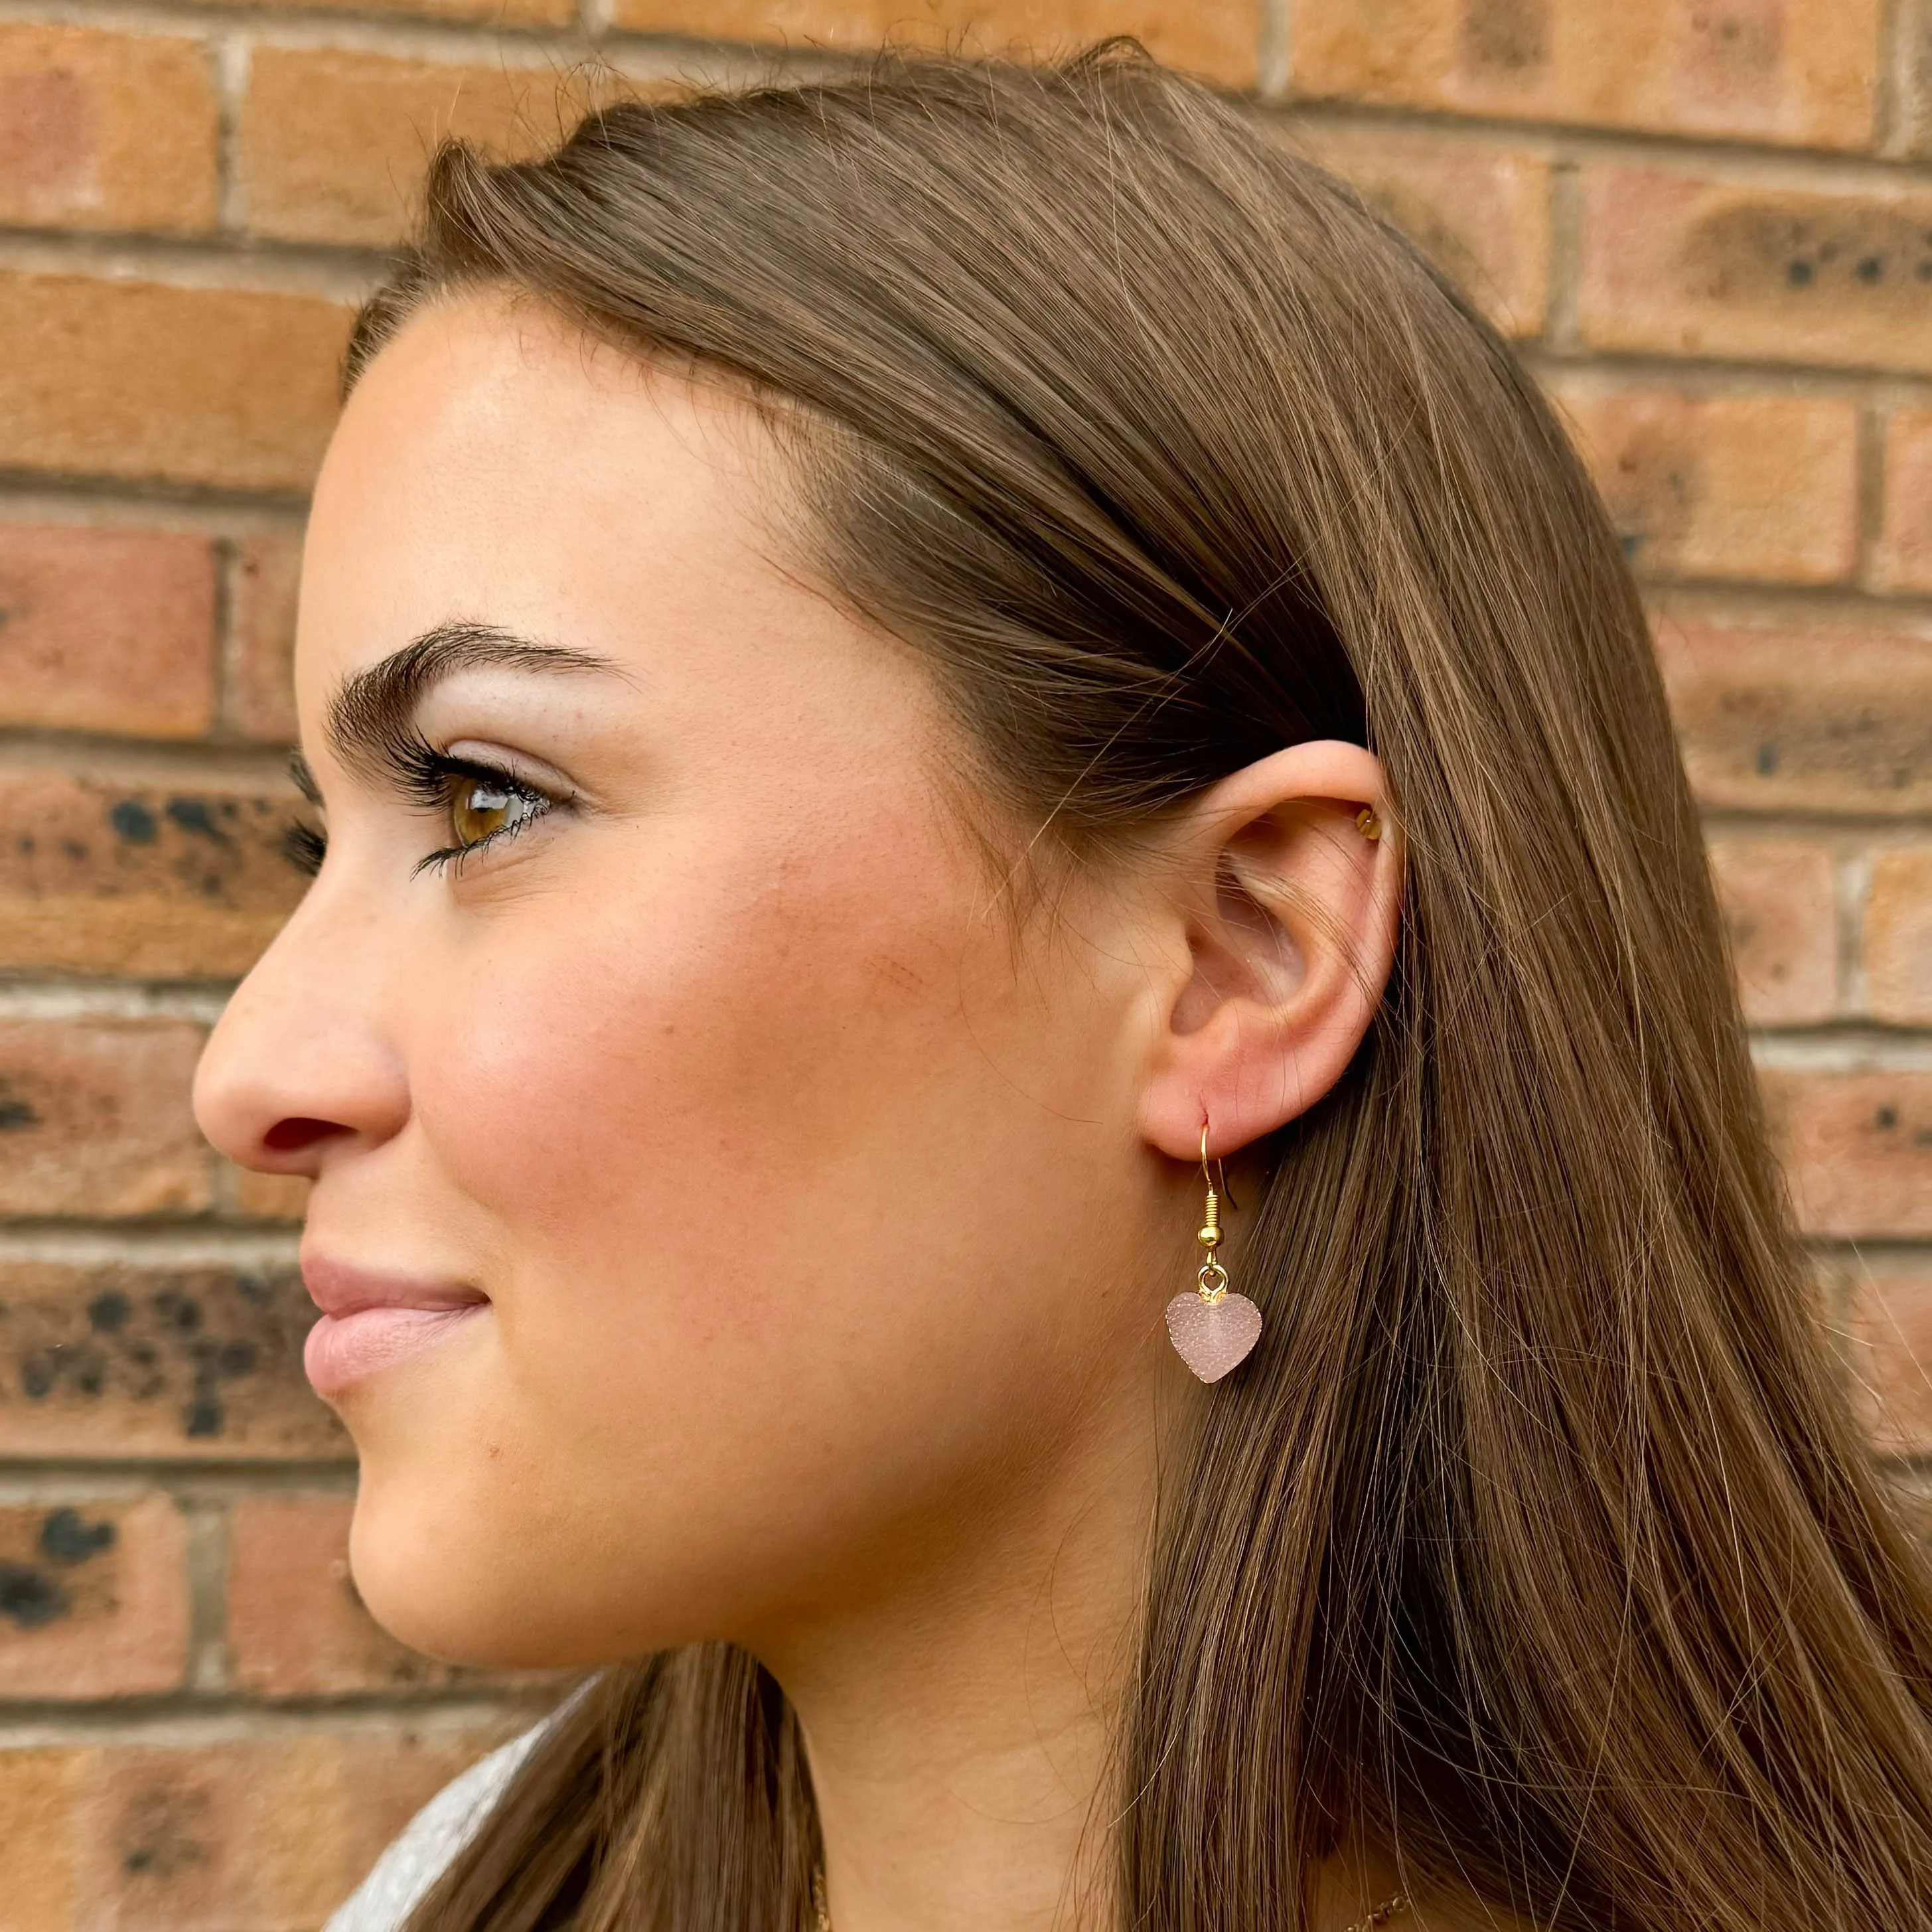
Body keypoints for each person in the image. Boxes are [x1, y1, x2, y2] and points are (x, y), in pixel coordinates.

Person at [192, 45, 1932, 1932]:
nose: (248, 1072)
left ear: (1237, 960)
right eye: (320, 845)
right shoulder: (475, 1885)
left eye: (482, 799)